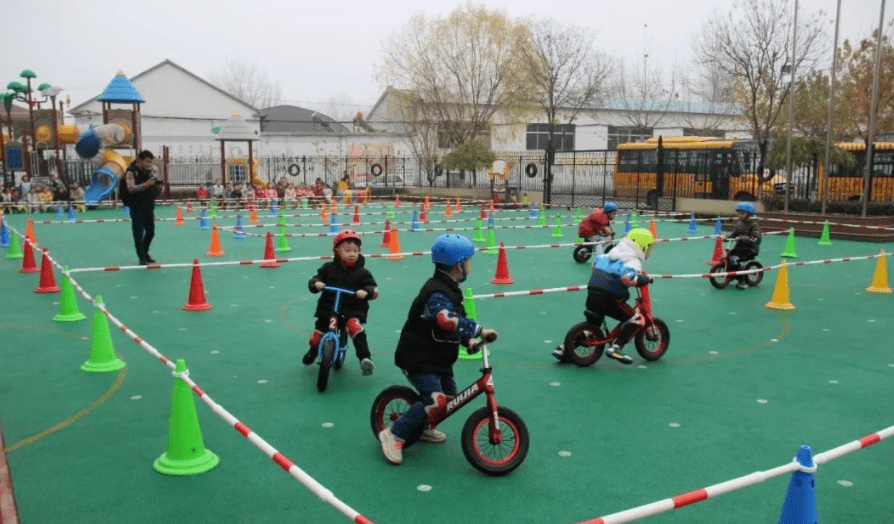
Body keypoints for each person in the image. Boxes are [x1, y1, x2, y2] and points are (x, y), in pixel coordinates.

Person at [378, 234, 499, 466]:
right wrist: (478, 330)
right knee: (436, 400)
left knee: (450, 400)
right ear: (459, 264)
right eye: (469, 261)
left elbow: (457, 321)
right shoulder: (436, 293)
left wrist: (467, 341)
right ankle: (393, 434)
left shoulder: (451, 289)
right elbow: (445, 320)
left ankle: (422, 426)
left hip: (438, 358)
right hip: (418, 356)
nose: (471, 266)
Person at [553, 228, 655, 365]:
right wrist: (643, 279)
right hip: (610, 298)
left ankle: (564, 348)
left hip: (593, 294)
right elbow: (627, 278)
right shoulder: (632, 261)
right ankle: (616, 347)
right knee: (635, 320)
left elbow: (594, 266)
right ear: (642, 246)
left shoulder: (608, 255)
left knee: (593, 326)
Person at [303, 230, 379, 376]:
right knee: (316, 338)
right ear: (337, 251)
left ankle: (365, 359)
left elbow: (374, 289)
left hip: (352, 309)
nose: (352, 254)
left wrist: (366, 292)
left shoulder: (363, 272)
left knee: (355, 328)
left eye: (356, 251)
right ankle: (313, 352)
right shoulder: (328, 268)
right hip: (329, 308)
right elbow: (314, 279)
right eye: (348, 250)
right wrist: (316, 283)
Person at [123, 150, 161, 265]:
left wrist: (156, 185)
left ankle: (144, 252)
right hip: (136, 207)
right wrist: (146, 185)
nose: (149, 164)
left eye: (150, 162)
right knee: (138, 233)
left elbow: (153, 185)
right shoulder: (131, 172)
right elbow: (130, 188)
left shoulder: (150, 172)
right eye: (147, 162)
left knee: (150, 232)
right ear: (140, 160)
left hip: (148, 205)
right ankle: (142, 257)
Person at [723, 202, 762, 290]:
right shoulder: (740, 223)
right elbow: (734, 233)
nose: (740, 215)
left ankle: (742, 281)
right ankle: (732, 274)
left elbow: (755, 238)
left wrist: (741, 238)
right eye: (739, 213)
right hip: (740, 248)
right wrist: (726, 237)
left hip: (750, 249)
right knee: (728, 257)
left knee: (734, 259)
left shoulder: (754, 224)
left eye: (742, 213)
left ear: (748, 214)